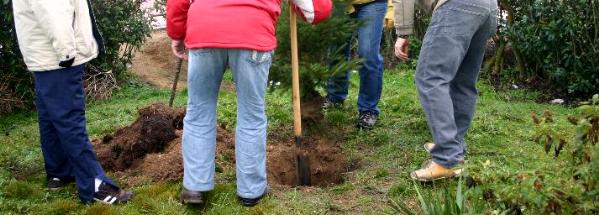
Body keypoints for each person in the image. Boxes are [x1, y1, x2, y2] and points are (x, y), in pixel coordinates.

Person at [166, 0, 332, 207]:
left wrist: (176, 33)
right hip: (253, 33)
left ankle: (195, 186)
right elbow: (318, 10)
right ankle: (251, 191)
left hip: (204, 30)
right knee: (251, 115)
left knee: (199, 111)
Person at [12, 0, 133, 204]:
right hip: (57, 59)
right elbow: (53, 11)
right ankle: (95, 186)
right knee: (70, 122)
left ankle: (59, 172)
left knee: (50, 119)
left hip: (45, 58)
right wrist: (66, 52)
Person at [393, 0, 498, 181]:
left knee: (430, 77)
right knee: (463, 82)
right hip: (487, 7)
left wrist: (402, 32)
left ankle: (446, 158)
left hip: (457, 6)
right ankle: (454, 147)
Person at [324, 0, 389, 129]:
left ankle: (368, 109)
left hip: (372, 3)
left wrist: (393, 10)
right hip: (340, 4)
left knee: (368, 54)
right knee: (336, 51)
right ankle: (335, 96)